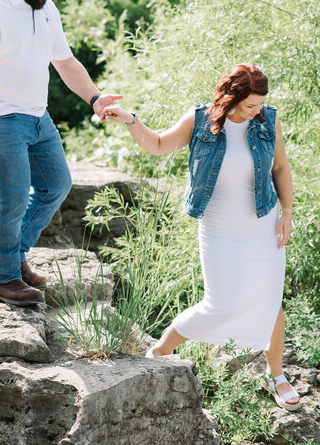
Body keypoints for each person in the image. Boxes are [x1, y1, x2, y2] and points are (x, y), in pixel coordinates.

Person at [101, 63, 300, 411]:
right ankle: (160, 351)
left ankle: (278, 376)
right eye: (251, 105)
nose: (258, 111)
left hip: (263, 222)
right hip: (219, 225)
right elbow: (159, 144)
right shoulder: (200, 120)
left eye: (260, 105)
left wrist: (287, 213)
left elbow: (280, 167)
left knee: (271, 300)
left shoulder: (268, 120)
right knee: (220, 303)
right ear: (232, 98)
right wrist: (131, 121)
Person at [0, 0, 122, 307]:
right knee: (11, 199)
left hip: (37, 116)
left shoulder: (45, 8)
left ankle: (10, 256)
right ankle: (3, 278)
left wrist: (95, 99)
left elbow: (65, 62)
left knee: (55, 185)